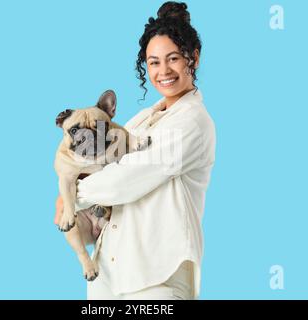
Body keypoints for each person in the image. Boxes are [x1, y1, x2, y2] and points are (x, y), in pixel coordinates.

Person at [55, 1, 216, 300]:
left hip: (156, 277)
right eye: (153, 62)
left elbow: (122, 182)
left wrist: (71, 195)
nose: (163, 71)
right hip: (107, 275)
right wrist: (71, 205)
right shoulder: (141, 120)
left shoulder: (191, 122)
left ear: (193, 57)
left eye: (173, 59)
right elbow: (103, 179)